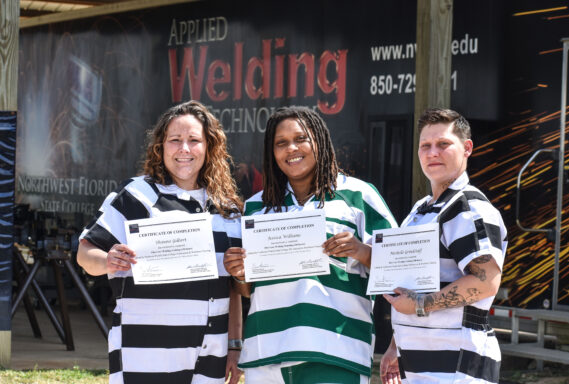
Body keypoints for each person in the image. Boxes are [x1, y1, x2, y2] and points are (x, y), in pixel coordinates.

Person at [223, 106, 398, 384]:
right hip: (266, 355)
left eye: (301, 138)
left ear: (320, 140)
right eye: (281, 143)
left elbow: (401, 268)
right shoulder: (256, 206)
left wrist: (361, 251)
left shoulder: (358, 196)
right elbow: (247, 291)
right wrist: (239, 273)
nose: (291, 148)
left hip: (336, 352)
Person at [77, 100, 244, 384]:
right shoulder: (136, 195)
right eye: (175, 140)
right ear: (160, 146)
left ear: (209, 146)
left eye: (194, 140)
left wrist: (234, 346)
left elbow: (233, 289)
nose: (184, 149)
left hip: (210, 350)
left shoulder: (227, 208)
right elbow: (85, 253)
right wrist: (107, 260)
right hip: (145, 347)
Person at [380, 108, 507, 384]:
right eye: (425, 145)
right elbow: (411, 283)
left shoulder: (469, 208)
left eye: (443, 144)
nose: (432, 152)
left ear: (467, 148)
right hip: (424, 367)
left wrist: (421, 305)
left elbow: (487, 282)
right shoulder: (420, 210)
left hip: (458, 368)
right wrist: (395, 346)